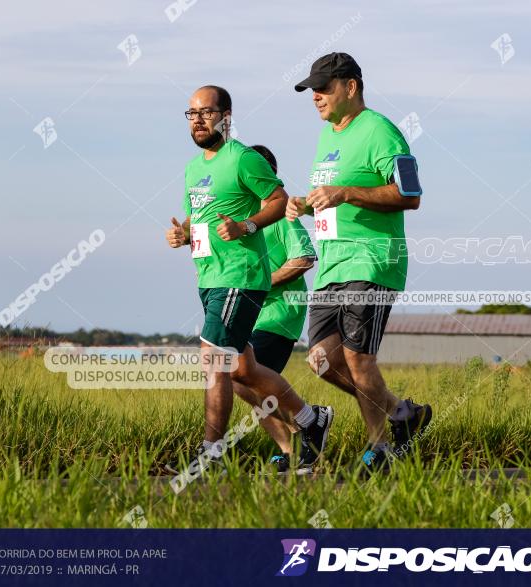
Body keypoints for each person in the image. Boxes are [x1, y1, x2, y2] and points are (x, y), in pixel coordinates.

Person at [165, 85, 333, 473]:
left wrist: (246, 225)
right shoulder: (194, 169)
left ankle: (211, 454)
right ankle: (311, 420)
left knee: (214, 360)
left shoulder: (242, 159)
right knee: (243, 370)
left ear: (226, 116)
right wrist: (183, 233)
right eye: (192, 114)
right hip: (209, 276)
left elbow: (278, 199)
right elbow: (199, 219)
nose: (198, 120)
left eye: (206, 112)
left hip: (240, 276)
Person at [287, 53, 431, 472]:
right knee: (321, 360)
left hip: (371, 260)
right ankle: (404, 413)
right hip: (332, 265)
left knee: (357, 359)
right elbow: (333, 201)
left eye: (324, 87)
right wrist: (307, 204)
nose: (316, 96)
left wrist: (346, 192)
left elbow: (411, 195)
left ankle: (380, 448)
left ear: (350, 87)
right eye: (312, 89)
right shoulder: (328, 137)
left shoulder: (381, 132)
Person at [230, 144, 323, 473]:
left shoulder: (281, 213)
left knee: (243, 377)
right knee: (240, 383)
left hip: (279, 314)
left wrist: (263, 282)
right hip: (247, 315)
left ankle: (309, 423)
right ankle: (291, 445)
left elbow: (304, 259)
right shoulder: (244, 216)